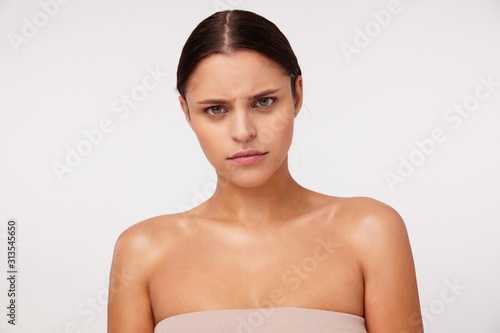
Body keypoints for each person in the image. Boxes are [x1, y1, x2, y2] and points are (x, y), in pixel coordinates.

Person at [107, 9, 424, 333]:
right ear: (186, 113)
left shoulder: (370, 232)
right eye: (216, 109)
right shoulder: (143, 251)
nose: (243, 132)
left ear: (297, 95)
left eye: (263, 102)